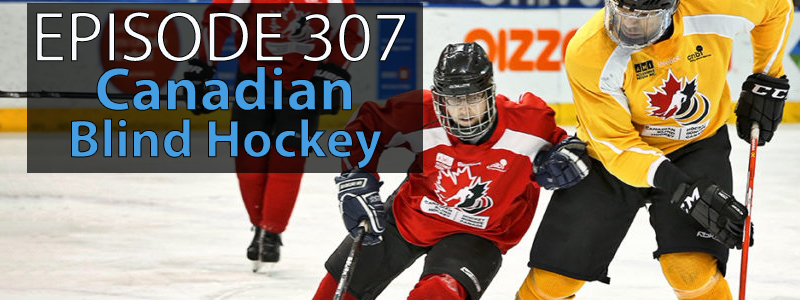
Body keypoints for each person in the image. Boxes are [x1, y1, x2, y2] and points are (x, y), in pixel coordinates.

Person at [516, 0, 792, 298]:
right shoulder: (589, 50)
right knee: (552, 282)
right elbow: (616, 145)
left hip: (694, 146)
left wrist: (769, 76)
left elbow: (777, 7)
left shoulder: (715, 6)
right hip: (608, 159)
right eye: (623, 14)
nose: (631, 25)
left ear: (672, 8)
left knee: (691, 272)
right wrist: (684, 190)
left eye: (646, 18)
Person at [310, 42, 591, 300]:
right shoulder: (419, 112)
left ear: (490, 94)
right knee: (332, 293)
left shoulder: (529, 124)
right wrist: (356, 178)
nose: (465, 111)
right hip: (410, 217)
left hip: (480, 235)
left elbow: (567, 146)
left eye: (473, 99)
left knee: (436, 295)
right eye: (455, 101)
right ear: (440, 99)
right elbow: (365, 129)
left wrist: (570, 154)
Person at [184, 0, 362, 271]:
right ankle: (260, 225)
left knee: (287, 160)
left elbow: (349, 30)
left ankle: (271, 231)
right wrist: (202, 67)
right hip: (254, 78)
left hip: (306, 83)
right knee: (248, 159)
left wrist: (331, 72)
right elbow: (220, 19)